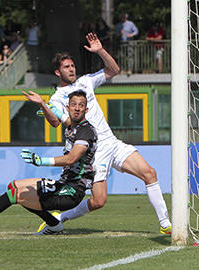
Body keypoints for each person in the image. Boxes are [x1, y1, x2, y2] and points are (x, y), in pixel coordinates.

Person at [23, 33, 172, 235]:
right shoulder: (57, 98)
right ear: (58, 72)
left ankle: (166, 225)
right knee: (98, 201)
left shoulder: (86, 82)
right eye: (67, 67)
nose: (72, 68)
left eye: (73, 65)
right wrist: (44, 105)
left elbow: (114, 70)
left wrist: (100, 50)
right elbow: (57, 122)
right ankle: (59, 218)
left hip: (112, 142)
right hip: (94, 150)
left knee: (150, 173)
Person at [0, 90, 96, 235]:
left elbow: (72, 158)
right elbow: (60, 117)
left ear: (86, 109)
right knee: (14, 186)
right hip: (64, 184)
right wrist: (43, 104)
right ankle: (54, 224)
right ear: (68, 107)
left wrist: (40, 161)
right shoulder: (74, 125)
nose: (77, 108)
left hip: (71, 192)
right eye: (74, 104)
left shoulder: (86, 131)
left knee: (15, 194)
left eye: (81, 105)